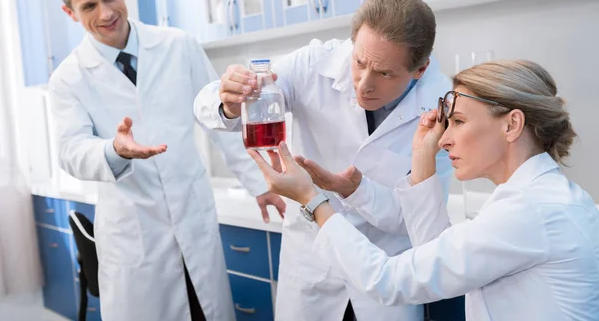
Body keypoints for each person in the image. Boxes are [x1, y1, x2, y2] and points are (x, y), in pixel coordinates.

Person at [249, 59, 599, 321]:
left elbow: (390, 280)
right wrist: (422, 157)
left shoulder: (530, 211)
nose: (445, 139)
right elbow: (438, 254)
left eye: (459, 122)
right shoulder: (537, 197)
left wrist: (312, 200)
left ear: (512, 124)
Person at [48, 0, 285, 321]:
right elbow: (70, 151)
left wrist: (260, 183)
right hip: (135, 241)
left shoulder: (178, 45)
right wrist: (114, 150)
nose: (106, 13)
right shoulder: (68, 78)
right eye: (89, 5)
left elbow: (220, 119)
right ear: (71, 13)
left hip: (194, 221)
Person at [195, 0, 455, 320]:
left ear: (420, 70)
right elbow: (208, 105)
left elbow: (416, 221)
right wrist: (229, 102)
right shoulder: (313, 64)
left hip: (384, 279)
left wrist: (354, 189)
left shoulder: (441, 106)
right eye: (359, 62)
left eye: (385, 73)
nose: (364, 84)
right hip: (311, 271)